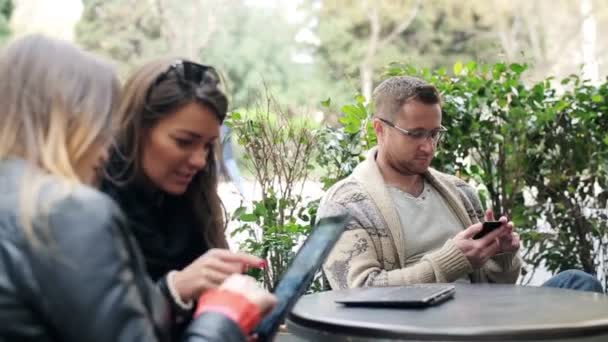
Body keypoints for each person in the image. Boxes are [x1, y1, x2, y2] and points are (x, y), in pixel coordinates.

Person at [0, 34, 276, 342]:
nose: (106, 148)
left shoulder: (20, 201)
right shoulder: (74, 210)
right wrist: (225, 318)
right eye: (101, 126)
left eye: (208, 146)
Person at [318, 75, 603, 293]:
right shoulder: (345, 204)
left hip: (483, 320)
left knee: (580, 284)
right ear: (380, 129)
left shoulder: (460, 192)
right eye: (416, 134)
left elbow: (499, 285)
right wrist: (449, 260)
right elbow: (358, 294)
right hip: (420, 331)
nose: (428, 147)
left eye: (434, 133)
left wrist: (501, 257)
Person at [100, 58, 265, 336]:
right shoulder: (91, 208)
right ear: (137, 129)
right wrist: (175, 289)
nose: (200, 160)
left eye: (207, 146)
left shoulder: (193, 203)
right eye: (184, 142)